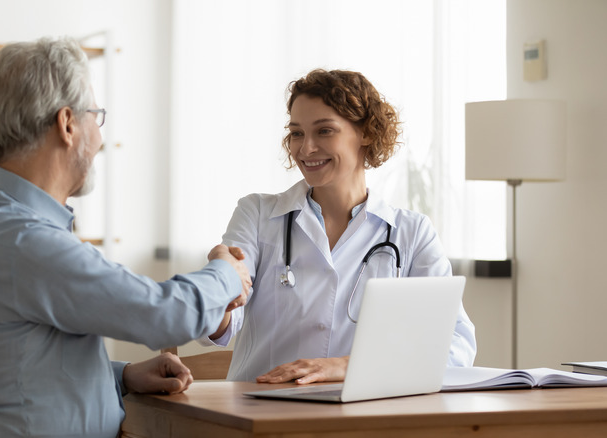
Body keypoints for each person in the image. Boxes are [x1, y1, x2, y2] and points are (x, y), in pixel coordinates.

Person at [0, 37, 251, 438]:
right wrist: (226, 272)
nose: (99, 137)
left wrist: (120, 376)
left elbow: (11, 368)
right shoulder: (24, 242)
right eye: (96, 115)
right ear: (67, 124)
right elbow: (165, 316)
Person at [203, 69, 476, 383]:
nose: (305, 149)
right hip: (260, 413)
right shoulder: (257, 214)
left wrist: (349, 366)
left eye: (324, 131)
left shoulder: (412, 233)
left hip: (360, 417)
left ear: (367, 133)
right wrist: (220, 292)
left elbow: (456, 344)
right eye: (296, 133)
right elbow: (222, 324)